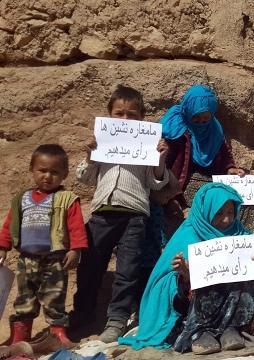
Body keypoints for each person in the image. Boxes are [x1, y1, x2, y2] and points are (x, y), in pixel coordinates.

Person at [119, 183, 254, 355]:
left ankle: (230, 329)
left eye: (230, 213)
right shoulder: (188, 236)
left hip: (239, 313)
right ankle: (200, 332)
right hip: (194, 313)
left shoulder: (243, 237)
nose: (226, 220)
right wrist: (185, 276)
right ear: (206, 211)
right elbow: (165, 287)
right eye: (218, 213)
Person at [72, 85, 170, 343]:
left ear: (142, 118)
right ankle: (83, 313)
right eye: (119, 114)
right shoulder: (103, 144)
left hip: (135, 215)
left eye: (132, 115)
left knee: (128, 270)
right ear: (109, 115)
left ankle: (117, 320)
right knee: (91, 265)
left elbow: (156, 183)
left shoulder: (146, 146)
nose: (125, 120)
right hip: (102, 213)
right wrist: (90, 155)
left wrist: (160, 159)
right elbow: (84, 178)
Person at [0, 144, 88, 347]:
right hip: (27, 259)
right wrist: (3, 246)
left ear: (65, 174)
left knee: (54, 297)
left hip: (54, 260)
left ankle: (57, 336)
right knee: (24, 298)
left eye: (54, 172)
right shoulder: (21, 199)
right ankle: (20, 337)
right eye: (42, 170)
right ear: (32, 169)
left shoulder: (67, 199)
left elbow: (76, 227)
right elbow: (9, 224)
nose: (48, 176)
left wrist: (76, 250)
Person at [159, 84, 247, 238]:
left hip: (210, 181)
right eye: (196, 118)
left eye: (206, 119)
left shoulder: (214, 129)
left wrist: (230, 168)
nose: (201, 123)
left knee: (240, 202)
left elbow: (224, 153)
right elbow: (165, 160)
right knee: (213, 203)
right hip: (180, 183)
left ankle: (241, 242)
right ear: (188, 112)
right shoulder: (175, 127)